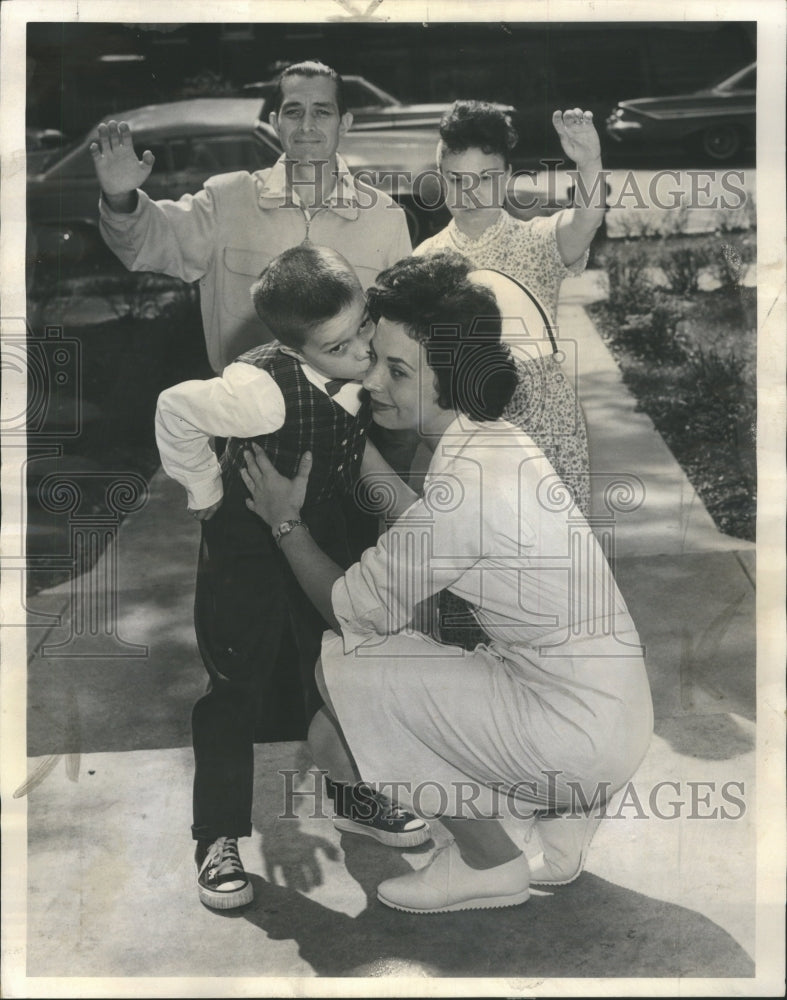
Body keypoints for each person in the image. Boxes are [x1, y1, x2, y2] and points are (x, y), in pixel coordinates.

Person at [241, 251, 653, 914]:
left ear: (450, 375)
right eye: (373, 356)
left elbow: (350, 610)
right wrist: (355, 440)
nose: (373, 379)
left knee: (347, 664)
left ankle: (487, 864)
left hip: (574, 736)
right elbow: (426, 530)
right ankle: (560, 823)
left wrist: (286, 525)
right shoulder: (496, 441)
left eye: (397, 370)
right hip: (613, 718)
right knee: (332, 735)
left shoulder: (466, 486)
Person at [155, 244, 429, 912]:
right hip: (248, 543)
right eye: (338, 346)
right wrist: (202, 493)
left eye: (361, 325)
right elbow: (174, 406)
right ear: (294, 344)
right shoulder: (256, 392)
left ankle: (352, 794)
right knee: (237, 684)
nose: (362, 351)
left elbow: (361, 449)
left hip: (324, 527)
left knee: (336, 665)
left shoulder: (359, 361)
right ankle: (218, 836)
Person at [90, 59, 412, 373]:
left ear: (344, 123)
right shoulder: (227, 199)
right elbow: (146, 242)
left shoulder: (385, 217)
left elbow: (402, 331)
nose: (307, 125)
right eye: (294, 111)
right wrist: (120, 197)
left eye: (322, 112)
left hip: (353, 413)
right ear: (276, 122)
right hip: (246, 414)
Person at [415, 100, 608, 518]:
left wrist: (589, 163)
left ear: (506, 179)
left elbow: (585, 220)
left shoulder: (536, 240)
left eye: (485, 178)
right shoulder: (425, 260)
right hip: (465, 432)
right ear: (440, 181)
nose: (470, 193)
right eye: (457, 179)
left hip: (546, 429)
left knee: (557, 559)